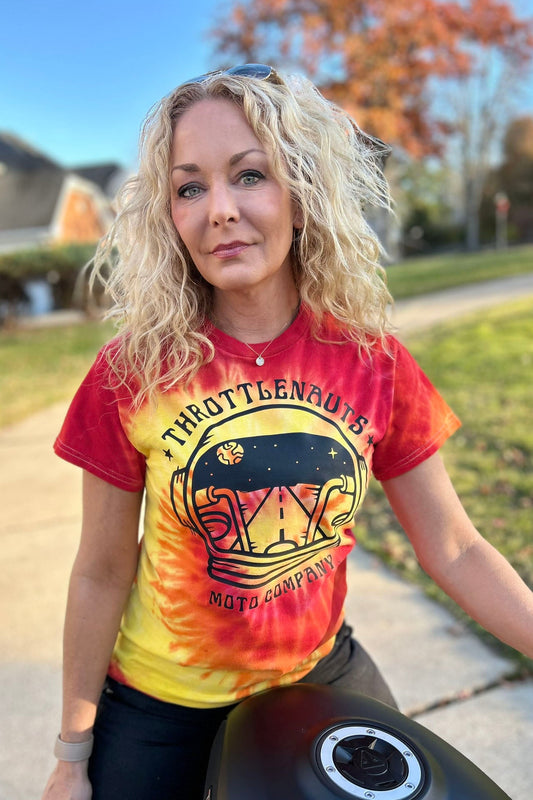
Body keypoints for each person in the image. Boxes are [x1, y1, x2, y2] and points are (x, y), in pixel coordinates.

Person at [42, 64, 533, 800]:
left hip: (316, 673)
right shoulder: (133, 372)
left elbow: (455, 547)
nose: (220, 210)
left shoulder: (372, 361)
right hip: (162, 700)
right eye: (190, 187)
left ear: (300, 196)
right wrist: (71, 754)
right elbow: (101, 571)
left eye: (249, 175)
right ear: (169, 217)